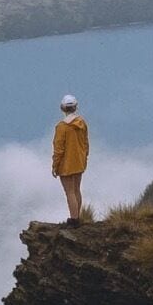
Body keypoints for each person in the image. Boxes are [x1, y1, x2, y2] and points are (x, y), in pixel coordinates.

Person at [51, 92, 88, 222]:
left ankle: (74, 220)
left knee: (70, 192)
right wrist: (84, 158)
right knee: (77, 190)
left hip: (66, 165)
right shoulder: (82, 123)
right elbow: (85, 143)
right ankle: (78, 216)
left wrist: (55, 165)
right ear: (76, 107)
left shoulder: (62, 127)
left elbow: (58, 149)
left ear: (62, 108)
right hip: (79, 161)